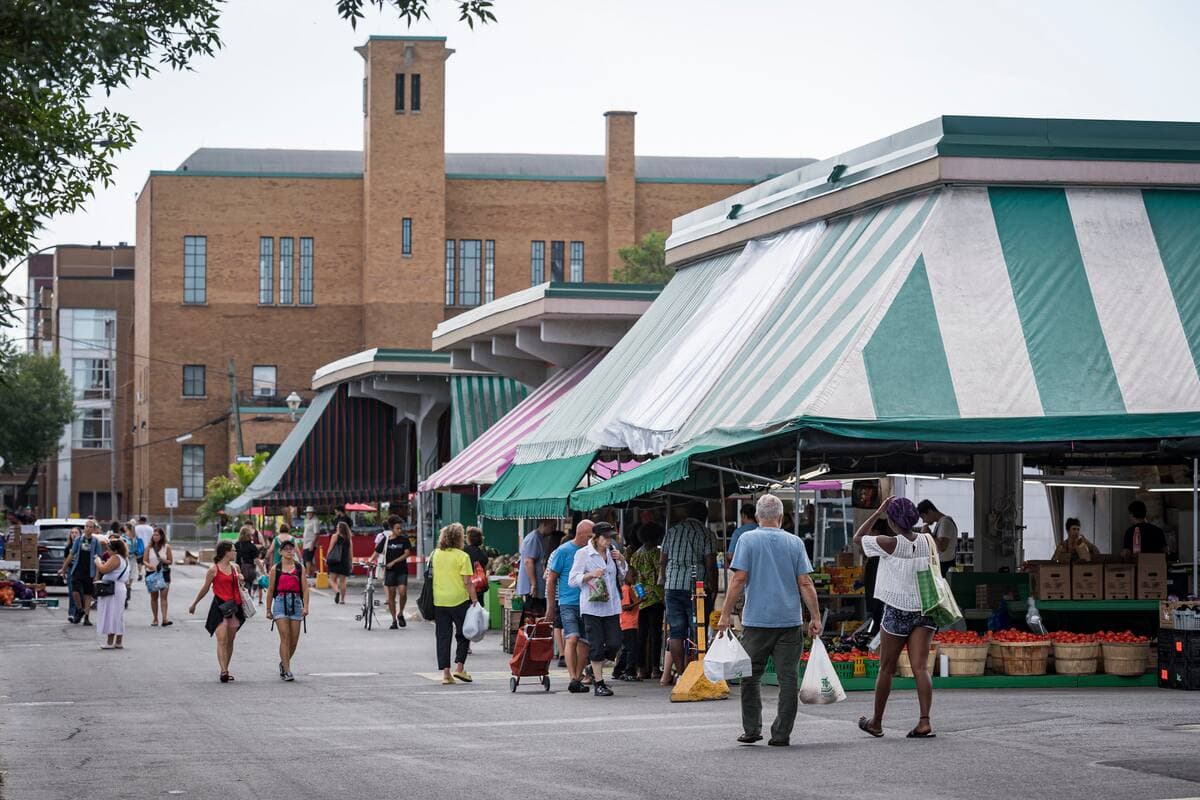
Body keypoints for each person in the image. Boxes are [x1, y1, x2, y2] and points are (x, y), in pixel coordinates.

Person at [718, 493, 822, 747]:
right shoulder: (795, 542)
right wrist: (815, 617)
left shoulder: (747, 539)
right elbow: (805, 582)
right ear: (781, 517)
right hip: (789, 621)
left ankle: (752, 729)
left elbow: (739, 579)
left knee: (750, 676)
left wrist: (724, 614)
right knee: (788, 679)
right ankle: (781, 733)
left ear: (757, 517)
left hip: (757, 622)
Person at [854, 496, 938, 739]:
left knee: (886, 669)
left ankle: (876, 722)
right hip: (925, 609)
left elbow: (858, 538)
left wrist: (878, 511)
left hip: (897, 609)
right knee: (920, 668)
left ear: (891, 521)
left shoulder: (888, 542)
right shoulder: (927, 540)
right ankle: (924, 721)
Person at [658, 501, 717, 686]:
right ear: (705, 517)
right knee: (697, 630)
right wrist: (713, 587)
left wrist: (663, 579)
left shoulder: (672, 531)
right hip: (696, 588)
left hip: (672, 586)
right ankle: (695, 672)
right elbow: (710, 564)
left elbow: (663, 560)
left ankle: (682, 674)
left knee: (676, 632)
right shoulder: (706, 534)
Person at [569, 521, 627, 697]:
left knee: (615, 643)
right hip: (591, 608)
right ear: (596, 537)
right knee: (596, 646)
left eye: (611, 537)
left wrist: (622, 560)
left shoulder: (612, 553)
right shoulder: (583, 554)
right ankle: (599, 684)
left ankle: (592, 667)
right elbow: (572, 580)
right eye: (606, 537)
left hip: (611, 606)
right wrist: (590, 575)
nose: (609, 541)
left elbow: (622, 576)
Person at [189, 541, 246, 683]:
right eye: (233, 550)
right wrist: (195, 603)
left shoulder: (235, 567)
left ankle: (226, 667)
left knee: (230, 640)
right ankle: (223, 671)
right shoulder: (213, 569)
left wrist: (241, 580)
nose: (235, 552)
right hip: (219, 606)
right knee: (222, 639)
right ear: (226, 552)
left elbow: (241, 586)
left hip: (234, 607)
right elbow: (205, 588)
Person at [547, 520, 593, 692]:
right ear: (581, 534)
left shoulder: (591, 551)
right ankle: (572, 677)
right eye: (590, 536)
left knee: (585, 642)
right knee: (572, 638)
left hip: (587, 602)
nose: (593, 539)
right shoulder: (563, 551)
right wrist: (551, 605)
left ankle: (577, 677)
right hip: (568, 602)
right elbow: (551, 579)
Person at [430, 523, 479, 685]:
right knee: (464, 634)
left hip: (439, 601)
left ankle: (446, 674)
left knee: (443, 636)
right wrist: (474, 600)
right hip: (459, 601)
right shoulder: (462, 556)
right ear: (459, 538)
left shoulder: (435, 554)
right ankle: (460, 668)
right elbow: (468, 582)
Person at [265, 538, 309, 681]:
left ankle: (284, 663)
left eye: (291, 549)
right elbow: (270, 590)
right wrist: (268, 609)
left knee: (294, 640)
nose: (289, 551)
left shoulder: (300, 568)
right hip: (280, 602)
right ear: (281, 552)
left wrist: (306, 606)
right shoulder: (275, 569)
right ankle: (287, 670)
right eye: (286, 549)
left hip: (296, 602)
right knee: (285, 637)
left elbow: (305, 589)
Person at [628, 520, 664, 680]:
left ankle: (641, 668)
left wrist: (640, 594)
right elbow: (660, 575)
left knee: (642, 635)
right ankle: (655, 668)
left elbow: (633, 576)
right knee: (656, 634)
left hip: (640, 598)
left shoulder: (636, 555)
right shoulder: (656, 553)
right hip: (655, 597)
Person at [60, 518, 104, 626]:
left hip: (89, 571)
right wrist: (64, 568)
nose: (88, 529)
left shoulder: (95, 542)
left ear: (93, 529)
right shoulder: (78, 540)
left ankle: (87, 617)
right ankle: (80, 609)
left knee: (87, 595)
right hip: (77, 569)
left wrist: (97, 575)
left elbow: (98, 558)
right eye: (86, 526)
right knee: (75, 591)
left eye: (90, 527)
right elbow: (71, 555)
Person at [372, 521, 413, 629]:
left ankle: (401, 613)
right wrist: (370, 560)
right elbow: (377, 552)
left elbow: (407, 553)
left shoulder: (404, 539)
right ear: (392, 529)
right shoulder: (386, 540)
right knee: (391, 595)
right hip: (390, 571)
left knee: (403, 592)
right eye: (397, 528)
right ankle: (394, 620)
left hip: (402, 570)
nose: (400, 530)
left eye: (400, 528)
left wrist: (394, 561)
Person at [94, 535, 131, 650]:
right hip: (119, 587)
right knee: (118, 615)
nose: (107, 552)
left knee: (111, 614)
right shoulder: (124, 558)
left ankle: (110, 642)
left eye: (109, 549)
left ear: (115, 550)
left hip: (112, 588)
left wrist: (98, 562)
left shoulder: (115, 558)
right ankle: (118, 641)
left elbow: (103, 569)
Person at [516, 520, 554, 622]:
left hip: (538, 587)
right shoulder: (533, 538)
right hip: (533, 588)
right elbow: (528, 561)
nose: (553, 529)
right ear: (544, 524)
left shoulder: (540, 538)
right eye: (552, 526)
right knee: (532, 615)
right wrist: (534, 584)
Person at [917, 500, 958, 578]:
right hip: (941, 566)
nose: (924, 521)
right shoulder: (940, 523)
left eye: (923, 517)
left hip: (945, 567)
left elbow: (941, 547)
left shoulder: (945, 522)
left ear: (929, 511)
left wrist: (928, 534)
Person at [612, 569, 641, 681]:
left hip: (630, 623)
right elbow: (625, 607)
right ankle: (629, 672)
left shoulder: (629, 589)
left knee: (626, 649)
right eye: (633, 576)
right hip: (628, 623)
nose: (635, 579)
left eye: (635, 576)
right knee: (631, 649)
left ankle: (618, 671)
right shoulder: (625, 589)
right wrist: (639, 601)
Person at [145, 527, 174, 626]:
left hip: (164, 573)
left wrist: (163, 560)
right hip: (151, 573)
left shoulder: (167, 547)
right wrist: (148, 565)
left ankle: (165, 619)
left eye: (157, 535)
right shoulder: (149, 547)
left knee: (164, 597)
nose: (155, 537)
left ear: (161, 536)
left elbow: (170, 561)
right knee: (154, 597)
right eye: (154, 535)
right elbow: (144, 560)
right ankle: (155, 618)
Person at [326, 521, 353, 603]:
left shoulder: (335, 536)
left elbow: (330, 548)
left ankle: (337, 591)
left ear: (340, 528)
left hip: (335, 560)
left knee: (331, 579)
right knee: (343, 581)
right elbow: (350, 552)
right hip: (345, 561)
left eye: (338, 527)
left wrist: (327, 558)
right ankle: (342, 600)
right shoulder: (348, 538)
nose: (336, 528)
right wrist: (351, 563)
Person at [235, 525, 260, 597]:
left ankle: (241, 599)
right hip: (249, 570)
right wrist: (263, 571)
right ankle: (247, 598)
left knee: (239, 587)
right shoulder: (252, 546)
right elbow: (256, 560)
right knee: (248, 587)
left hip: (238, 569)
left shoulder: (237, 545)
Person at [134, 516, 154, 580]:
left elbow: (134, 537)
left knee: (139, 561)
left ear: (140, 521)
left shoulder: (136, 528)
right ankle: (146, 573)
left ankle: (140, 573)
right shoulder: (150, 528)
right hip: (148, 546)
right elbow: (152, 537)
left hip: (139, 546)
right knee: (147, 560)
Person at [302, 506, 320, 575]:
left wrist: (312, 544)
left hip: (310, 543)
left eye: (310, 513)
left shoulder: (315, 521)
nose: (308, 514)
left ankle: (308, 573)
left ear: (313, 513)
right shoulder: (307, 521)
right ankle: (316, 572)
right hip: (306, 543)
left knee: (308, 559)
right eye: (307, 513)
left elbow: (317, 534)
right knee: (307, 559)